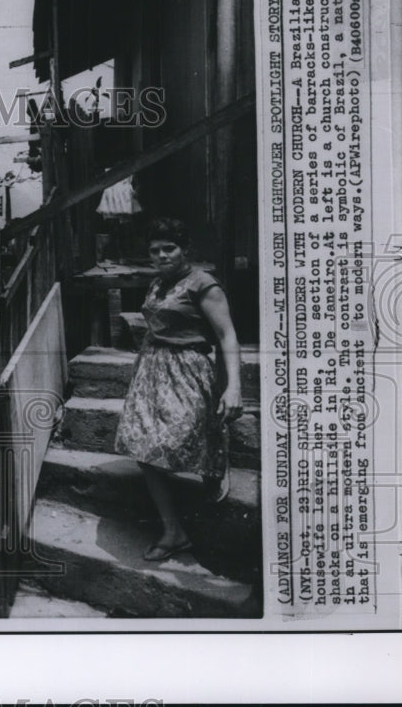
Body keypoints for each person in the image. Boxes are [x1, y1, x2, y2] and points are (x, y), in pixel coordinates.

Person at [114, 218, 243, 561]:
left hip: (189, 368)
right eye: (154, 250)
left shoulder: (204, 285)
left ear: (185, 249)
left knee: (177, 436)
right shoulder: (157, 283)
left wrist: (234, 388)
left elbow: (227, 336)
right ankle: (173, 532)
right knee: (143, 448)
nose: (161, 255)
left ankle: (215, 465)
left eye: (168, 248)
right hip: (152, 369)